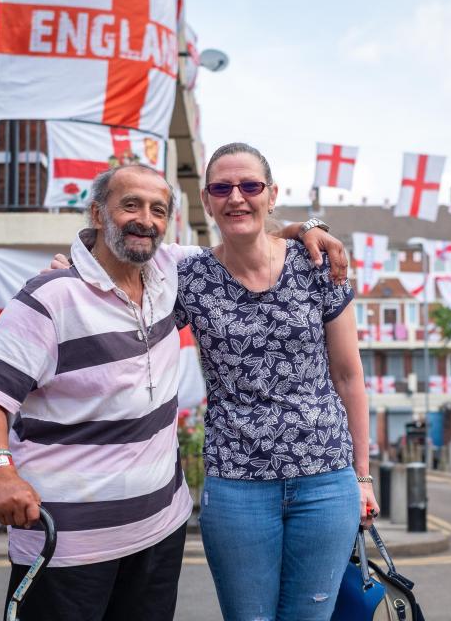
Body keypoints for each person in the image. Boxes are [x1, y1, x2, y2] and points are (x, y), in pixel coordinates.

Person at [0, 163, 347, 621]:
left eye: (158, 210)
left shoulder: (172, 271)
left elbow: (244, 235)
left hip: (157, 536)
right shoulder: (50, 297)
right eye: (130, 205)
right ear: (97, 213)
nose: (145, 219)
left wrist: (309, 228)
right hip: (65, 544)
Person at [175, 142, 377, 621]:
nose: (237, 197)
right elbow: (124, 284)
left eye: (250, 185)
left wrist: (363, 477)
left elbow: (349, 377)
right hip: (236, 482)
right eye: (222, 188)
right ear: (206, 200)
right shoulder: (188, 277)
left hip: (325, 479)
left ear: (271, 194)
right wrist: (72, 272)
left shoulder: (317, 266)